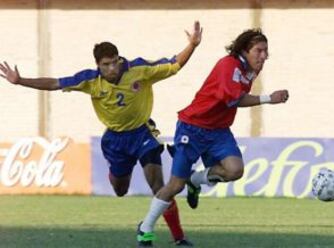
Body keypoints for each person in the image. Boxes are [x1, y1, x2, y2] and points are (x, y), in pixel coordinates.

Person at [0, 21, 203, 247]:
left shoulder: (138, 69)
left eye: (115, 62)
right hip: (115, 141)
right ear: (98, 65)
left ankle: (178, 238)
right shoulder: (89, 80)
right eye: (107, 64)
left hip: (143, 133)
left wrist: (192, 46)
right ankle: (117, 178)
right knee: (120, 189)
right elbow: (55, 83)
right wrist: (20, 81)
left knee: (158, 186)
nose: (113, 69)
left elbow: (173, 64)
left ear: (119, 59)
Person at [136, 29, 289, 247]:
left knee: (235, 170)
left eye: (266, 51)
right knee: (174, 185)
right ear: (244, 50)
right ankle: (145, 228)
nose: (264, 55)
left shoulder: (250, 69)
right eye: (259, 50)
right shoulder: (228, 65)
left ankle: (195, 180)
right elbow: (232, 99)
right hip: (193, 127)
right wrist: (268, 98)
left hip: (218, 131)